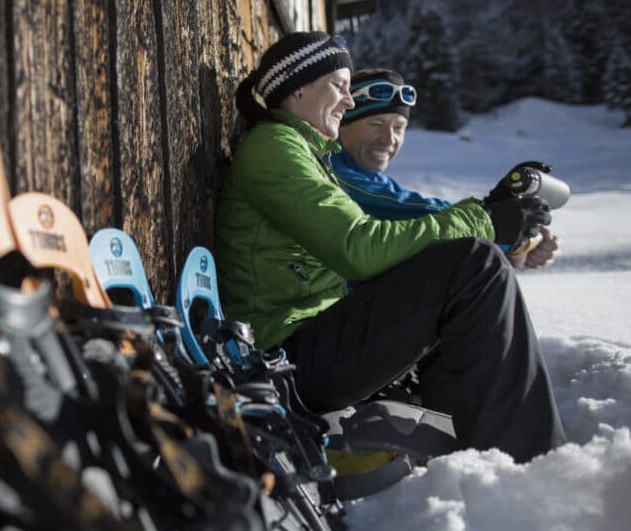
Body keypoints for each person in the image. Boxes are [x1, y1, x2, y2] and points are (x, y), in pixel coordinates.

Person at [214, 31, 566, 463]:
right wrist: (485, 220)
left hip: (303, 346)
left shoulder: (303, 151)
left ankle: (474, 452)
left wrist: (491, 222)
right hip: (282, 360)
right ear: (299, 88)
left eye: (398, 128)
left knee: (463, 280)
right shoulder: (275, 148)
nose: (347, 101)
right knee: (472, 264)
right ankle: (533, 457)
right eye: (340, 86)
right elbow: (357, 247)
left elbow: (385, 235)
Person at [333, 68, 560, 270]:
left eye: (399, 128)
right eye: (376, 124)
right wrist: (492, 217)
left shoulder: (371, 179)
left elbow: (427, 227)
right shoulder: (335, 173)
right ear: (341, 124)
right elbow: (416, 213)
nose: (389, 139)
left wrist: (517, 244)